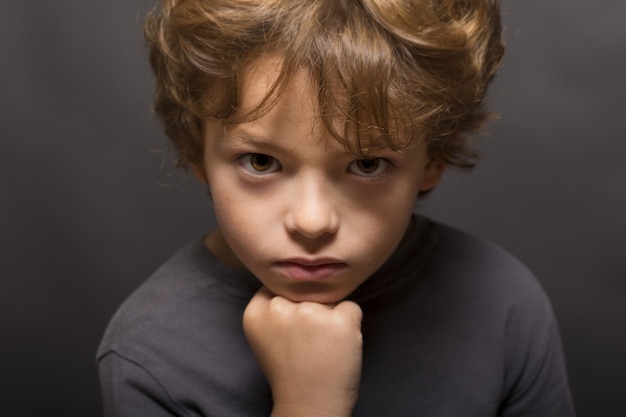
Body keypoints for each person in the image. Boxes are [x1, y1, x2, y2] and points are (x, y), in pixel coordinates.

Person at [97, 0, 576, 416]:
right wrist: (309, 406)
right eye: (261, 162)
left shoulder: (501, 304)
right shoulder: (150, 352)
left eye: (367, 164)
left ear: (433, 159)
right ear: (193, 149)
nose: (312, 222)